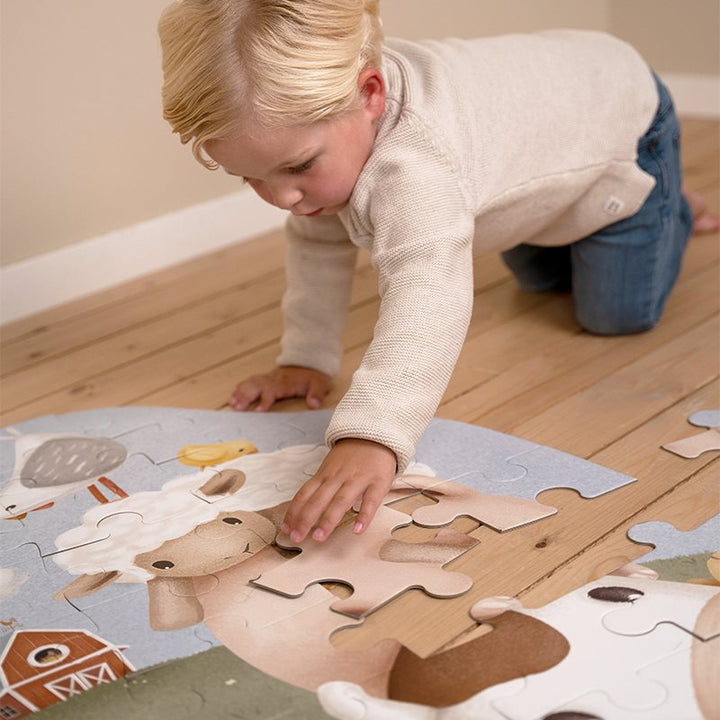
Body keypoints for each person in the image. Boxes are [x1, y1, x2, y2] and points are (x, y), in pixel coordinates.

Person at [158, 0, 718, 545]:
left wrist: (373, 436)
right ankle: (617, 199)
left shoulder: (418, 166)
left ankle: (660, 191)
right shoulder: (330, 116)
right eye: (250, 179)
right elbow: (317, 243)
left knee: (614, 315)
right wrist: (304, 357)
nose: (282, 197)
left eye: (299, 166)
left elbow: (428, 298)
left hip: (623, 111)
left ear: (370, 93)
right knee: (542, 281)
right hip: (546, 145)